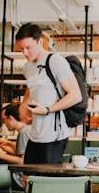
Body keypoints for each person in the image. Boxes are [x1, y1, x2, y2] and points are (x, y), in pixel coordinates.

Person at [16, 23, 82, 164]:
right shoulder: (27, 67)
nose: (25, 53)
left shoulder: (56, 61)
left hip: (55, 135)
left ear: (40, 42)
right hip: (35, 134)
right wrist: (24, 104)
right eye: (21, 49)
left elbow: (76, 95)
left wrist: (47, 110)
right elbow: (32, 87)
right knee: (28, 177)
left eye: (28, 48)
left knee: (47, 182)